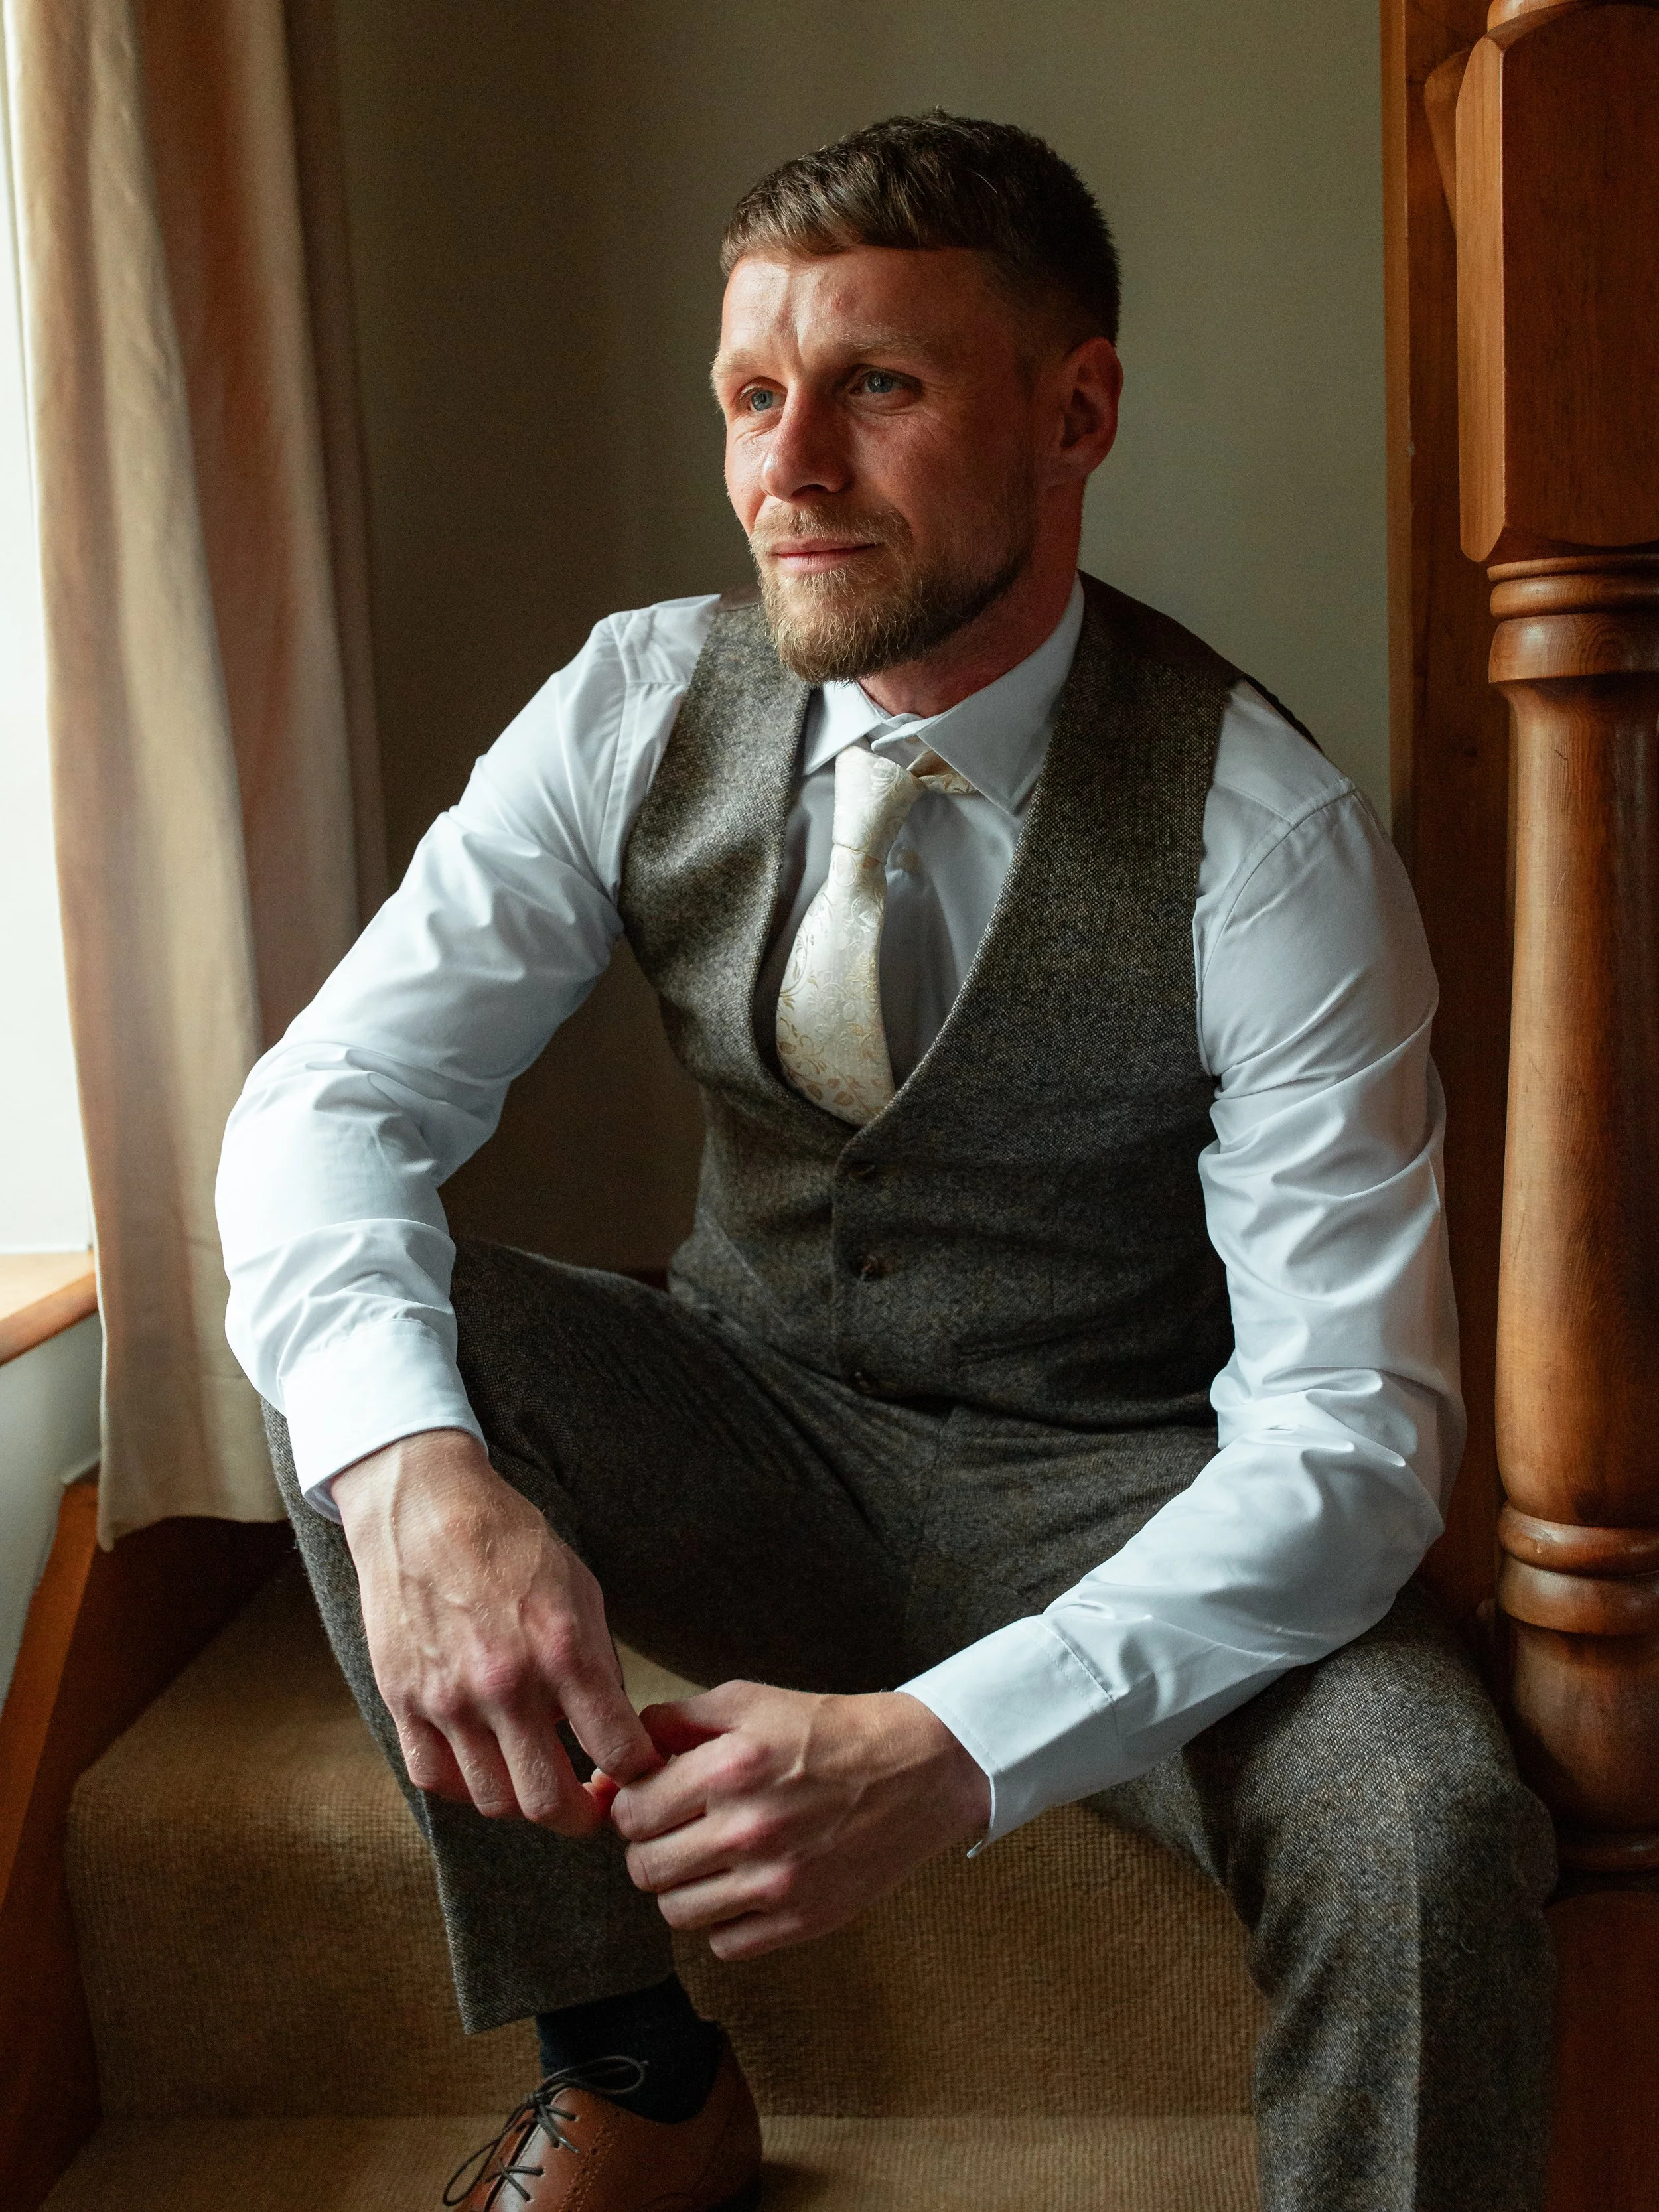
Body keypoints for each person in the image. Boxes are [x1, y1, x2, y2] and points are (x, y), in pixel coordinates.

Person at [217, 112, 1555, 2212]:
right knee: (379, 1343)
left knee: (1433, 1818)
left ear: (1074, 409)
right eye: (754, 395)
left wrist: (952, 1746)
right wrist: (422, 1487)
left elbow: (1358, 1440)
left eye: (878, 387)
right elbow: (323, 1112)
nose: (788, 470)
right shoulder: (634, 706)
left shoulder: (1266, 842)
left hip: (1130, 1486)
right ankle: (639, 2072)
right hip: (748, 1424)